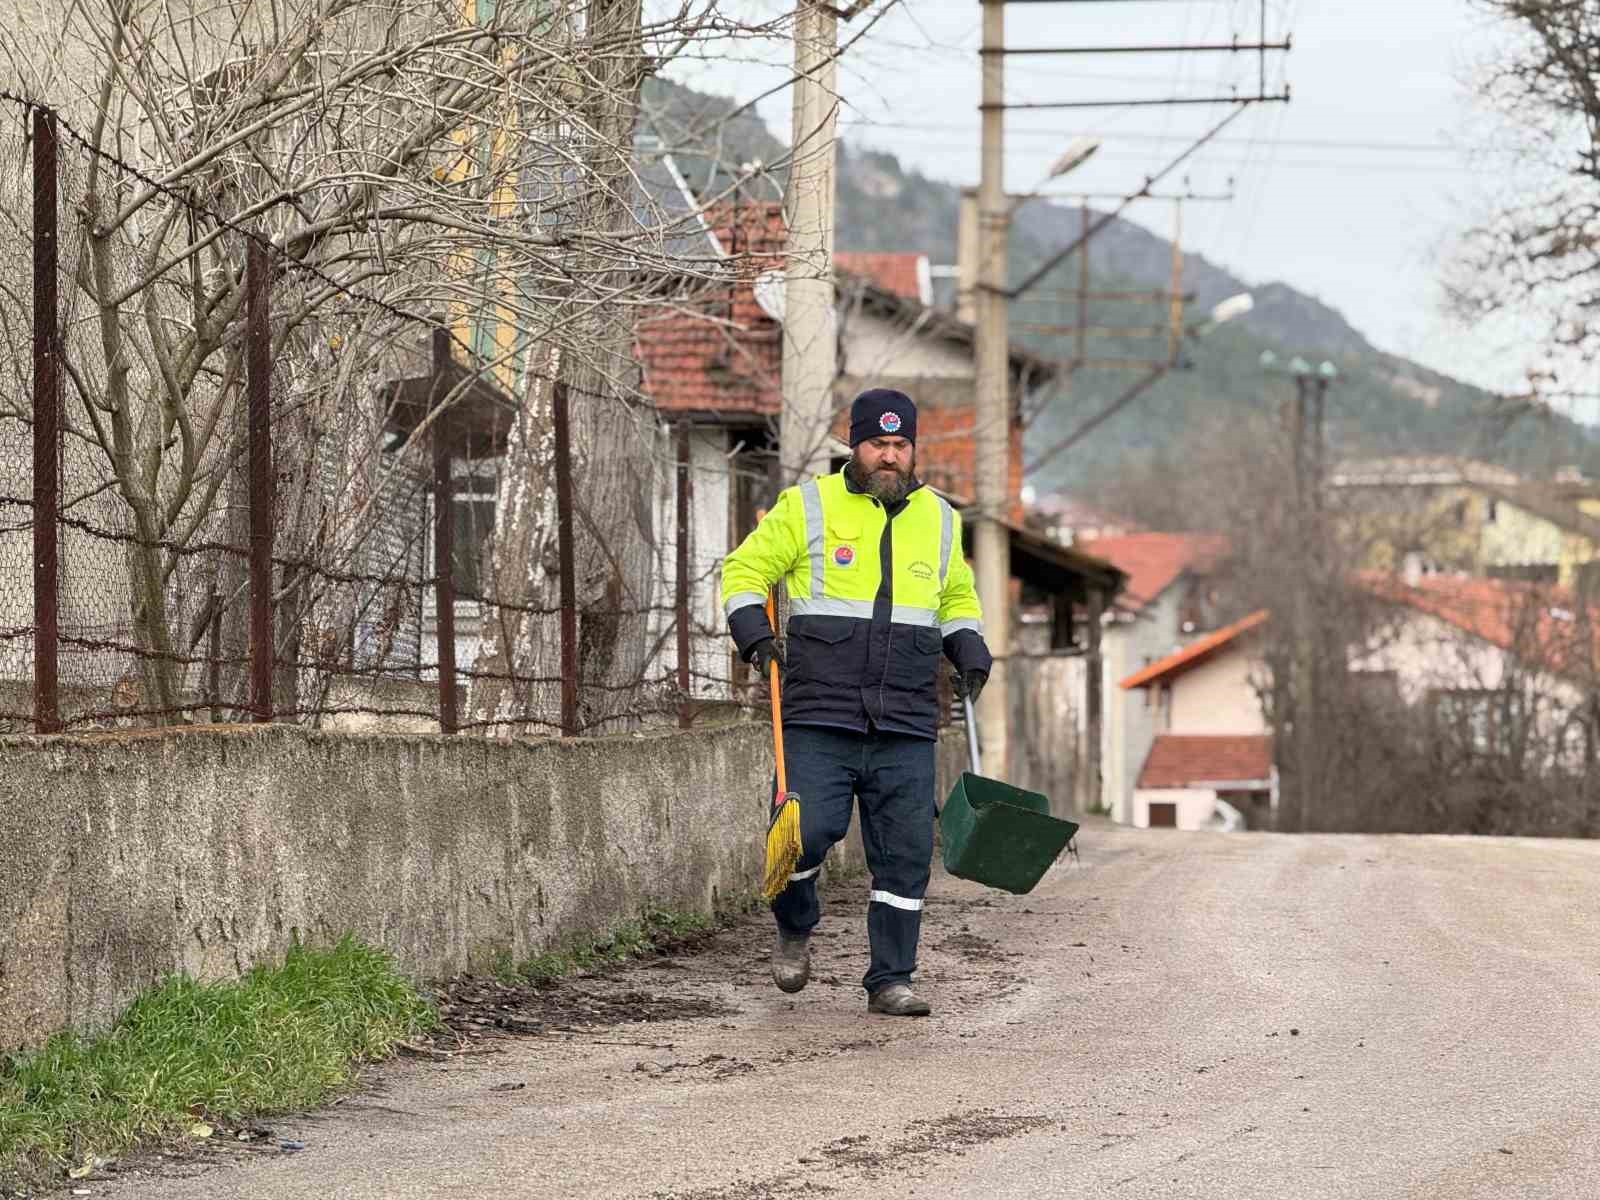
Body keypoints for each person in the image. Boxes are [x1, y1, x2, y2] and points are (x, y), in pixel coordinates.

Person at [720, 387, 992, 1017]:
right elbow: (743, 573)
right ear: (856, 446)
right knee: (802, 835)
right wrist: (754, 636)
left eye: (901, 446)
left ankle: (891, 979)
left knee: (904, 854)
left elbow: (954, 598)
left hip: (904, 716)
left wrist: (970, 645)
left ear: (913, 449)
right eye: (878, 444)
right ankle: (795, 924)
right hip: (818, 710)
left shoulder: (943, 518)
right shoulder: (808, 506)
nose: (890, 457)